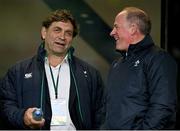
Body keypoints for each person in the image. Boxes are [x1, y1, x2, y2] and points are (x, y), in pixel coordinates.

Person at [0, 9, 105, 130]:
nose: (62, 37)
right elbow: (6, 107)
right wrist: (23, 117)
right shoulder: (18, 72)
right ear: (44, 32)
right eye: (57, 30)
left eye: (68, 33)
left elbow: (101, 115)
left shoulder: (90, 74)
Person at [104, 7, 177, 129]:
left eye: (116, 27)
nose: (112, 32)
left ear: (133, 29)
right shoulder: (116, 64)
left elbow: (163, 108)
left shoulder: (159, 59)